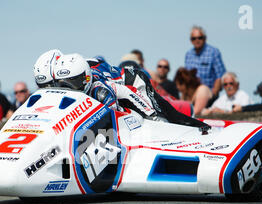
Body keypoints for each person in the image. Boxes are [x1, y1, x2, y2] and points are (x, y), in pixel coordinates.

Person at [53, 53, 208, 129]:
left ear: (86, 78)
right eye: (62, 84)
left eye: (74, 83)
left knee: (163, 116)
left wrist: (154, 118)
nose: (68, 88)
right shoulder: (73, 73)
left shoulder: (99, 89)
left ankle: (198, 127)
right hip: (115, 80)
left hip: (133, 83)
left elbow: (128, 96)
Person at [185, 25, 226, 97]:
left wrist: (213, 95)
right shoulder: (188, 54)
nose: (197, 40)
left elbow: (220, 75)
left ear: (205, 38)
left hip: (209, 95)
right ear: (191, 40)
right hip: (192, 95)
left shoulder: (213, 52)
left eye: (199, 38)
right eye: (194, 38)